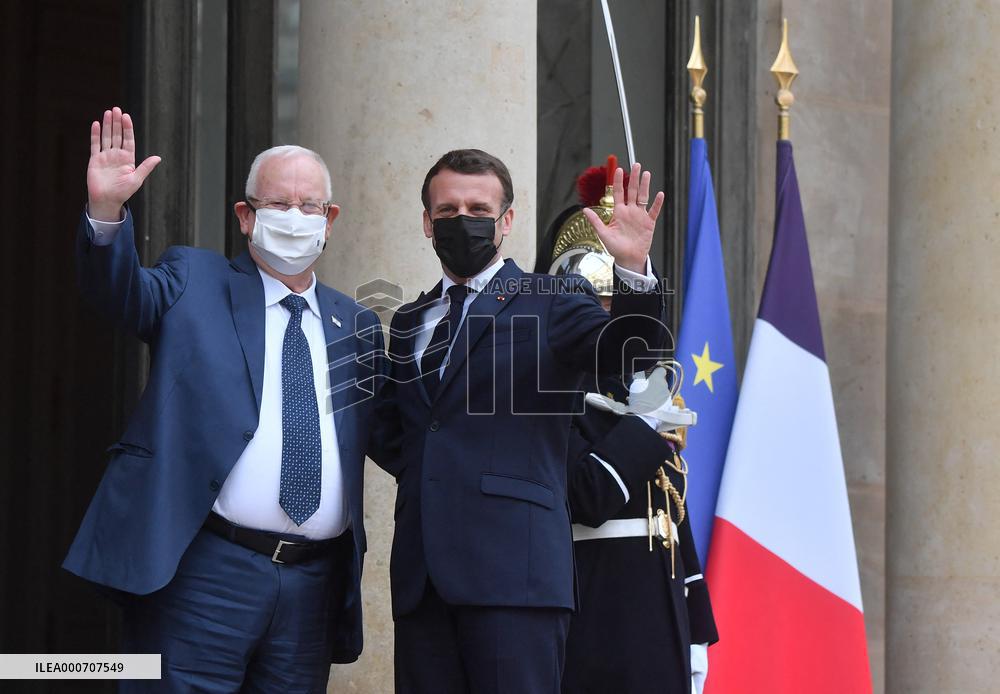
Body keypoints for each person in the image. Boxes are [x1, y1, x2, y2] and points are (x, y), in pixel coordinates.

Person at [65, 107, 383, 692]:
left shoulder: (356, 325)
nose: (295, 217)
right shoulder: (194, 280)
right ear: (245, 215)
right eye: (278, 203)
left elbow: (391, 431)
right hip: (206, 572)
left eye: (309, 205)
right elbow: (120, 294)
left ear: (330, 219)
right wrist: (106, 212)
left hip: (311, 586)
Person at [369, 148, 668, 694]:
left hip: (515, 579)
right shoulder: (410, 320)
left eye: (479, 209)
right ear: (427, 223)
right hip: (422, 581)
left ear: (506, 221)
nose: (463, 220)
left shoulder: (553, 300)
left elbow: (626, 358)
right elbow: (407, 435)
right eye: (448, 210)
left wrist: (631, 272)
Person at [545, 179, 718, 694]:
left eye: (615, 301)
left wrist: (696, 624)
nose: (608, 317)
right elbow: (587, 494)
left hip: (659, 611)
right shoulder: (550, 389)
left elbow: (669, 510)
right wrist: (644, 426)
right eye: (597, 301)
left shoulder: (640, 384)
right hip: (595, 609)